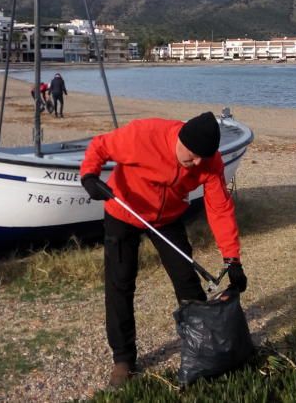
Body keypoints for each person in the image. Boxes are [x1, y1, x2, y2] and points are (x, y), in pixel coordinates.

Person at [79, 112, 247, 388]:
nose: (197, 164)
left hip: (167, 217)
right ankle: (123, 359)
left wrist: (232, 259)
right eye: (192, 156)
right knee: (120, 284)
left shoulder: (209, 162)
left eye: (203, 160)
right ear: (180, 138)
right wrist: (89, 174)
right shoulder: (143, 135)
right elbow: (100, 146)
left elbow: (219, 208)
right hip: (123, 210)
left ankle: (203, 348)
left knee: (187, 282)